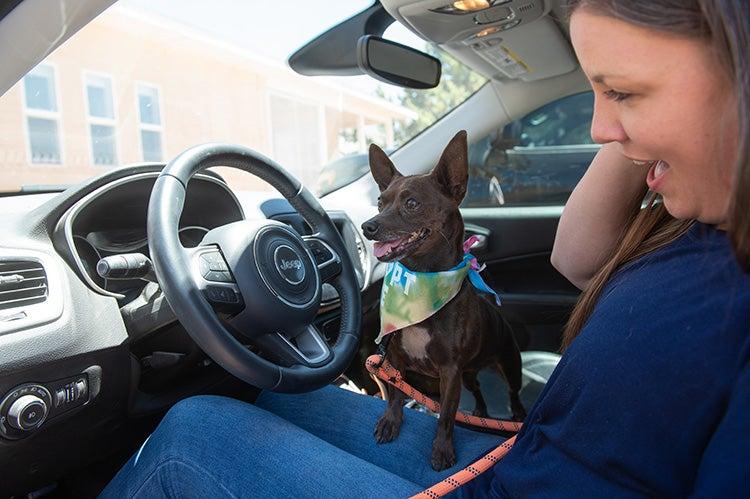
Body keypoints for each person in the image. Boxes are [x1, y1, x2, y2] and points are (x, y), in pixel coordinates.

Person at [101, 1, 750, 497]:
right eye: (598, 92)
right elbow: (577, 257)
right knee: (269, 395)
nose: (600, 128)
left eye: (626, 92)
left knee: (192, 429)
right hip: (523, 457)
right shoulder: (695, 218)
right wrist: (645, 131)